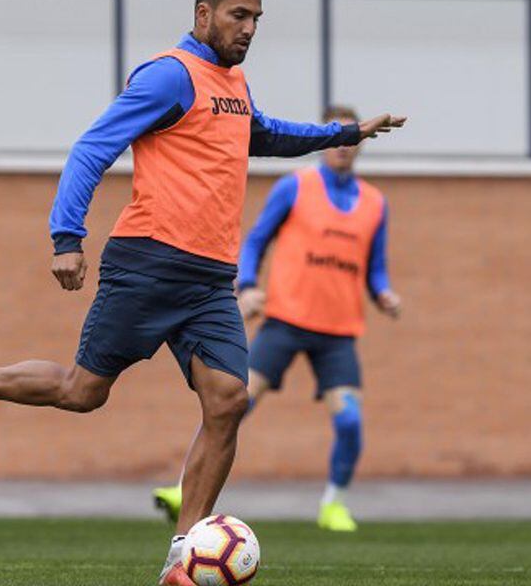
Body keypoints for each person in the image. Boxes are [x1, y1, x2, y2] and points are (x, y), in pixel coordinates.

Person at [0, 0, 404, 585]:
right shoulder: (170, 75)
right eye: (238, 16)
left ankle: (182, 557)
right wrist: (67, 236)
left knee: (228, 401)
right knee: (81, 393)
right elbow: (93, 147)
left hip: (207, 282)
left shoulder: (234, 83)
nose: (248, 29)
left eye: (256, 19)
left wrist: (345, 132)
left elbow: (265, 134)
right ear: (204, 15)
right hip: (147, 264)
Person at [152, 105, 402, 533]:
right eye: (337, 143)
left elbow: (375, 265)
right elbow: (255, 241)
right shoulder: (295, 188)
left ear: (359, 146)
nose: (343, 152)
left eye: (351, 143)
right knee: (233, 404)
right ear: (328, 145)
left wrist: (383, 293)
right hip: (285, 322)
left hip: (338, 331)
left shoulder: (375, 204)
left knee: (350, 420)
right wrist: (247, 285)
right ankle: (182, 490)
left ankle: (333, 505)